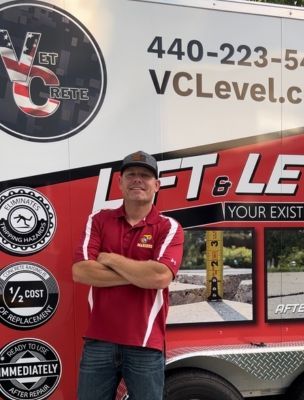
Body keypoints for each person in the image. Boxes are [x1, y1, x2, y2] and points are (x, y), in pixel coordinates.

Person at [72, 150, 184, 400]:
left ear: (156, 185)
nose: (137, 180)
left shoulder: (168, 227)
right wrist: (141, 273)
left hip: (146, 344)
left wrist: (110, 259)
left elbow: (160, 278)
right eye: (131, 174)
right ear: (119, 183)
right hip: (99, 341)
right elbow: (81, 272)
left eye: (145, 176)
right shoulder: (99, 219)